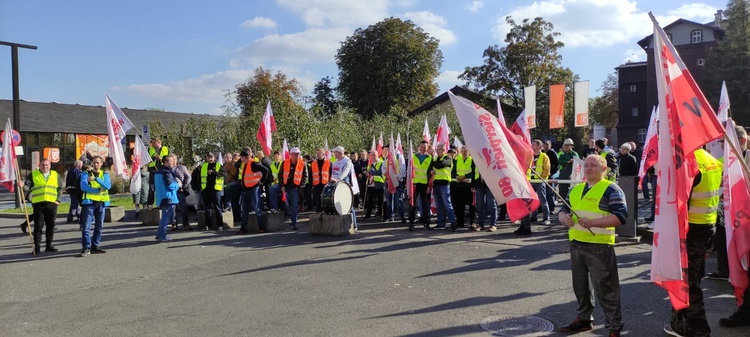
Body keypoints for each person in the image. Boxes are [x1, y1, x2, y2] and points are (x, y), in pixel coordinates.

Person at [557, 155, 627, 337]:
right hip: (577, 244)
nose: (588, 168)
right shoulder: (576, 188)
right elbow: (564, 208)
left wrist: (593, 223)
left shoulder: (611, 189)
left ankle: (614, 327)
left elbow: (621, 216)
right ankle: (583, 319)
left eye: (593, 165)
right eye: (586, 165)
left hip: (600, 246)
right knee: (580, 287)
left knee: (606, 289)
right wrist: (562, 217)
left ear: (604, 169)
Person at [663, 148, 722, 337]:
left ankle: (698, 329)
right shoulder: (711, 159)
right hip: (707, 226)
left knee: (689, 283)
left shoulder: (689, 162)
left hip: (691, 230)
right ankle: (680, 324)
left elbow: (681, 204)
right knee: (691, 278)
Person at [22, 159, 63, 254]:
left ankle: (49, 245)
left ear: (50, 166)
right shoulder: (33, 174)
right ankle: (37, 247)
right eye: (43, 165)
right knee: (38, 226)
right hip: (38, 205)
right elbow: (26, 187)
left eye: (47, 165)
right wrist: (22, 185)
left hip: (52, 204)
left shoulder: (55, 175)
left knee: (51, 225)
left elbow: (60, 188)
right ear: (39, 165)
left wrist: (58, 200)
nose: (45, 167)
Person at [516, 139, 551, 235]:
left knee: (542, 199)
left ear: (539, 146)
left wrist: (542, 179)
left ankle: (546, 218)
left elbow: (547, 169)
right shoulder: (530, 156)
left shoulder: (544, 156)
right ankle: (533, 217)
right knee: (531, 200)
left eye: (534, 144)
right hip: (530, 181)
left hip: (539, 181)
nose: (532, 145)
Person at [79, 156, 111, 257]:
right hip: (89, 203)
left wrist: (96, 179)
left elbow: (107, 186)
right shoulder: (85, 173)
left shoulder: (104, 174)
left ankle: (94, 246)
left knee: (99, 226)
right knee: (86, 227)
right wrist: (97, 190)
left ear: (101, 164)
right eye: (94, 162)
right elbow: (84, 187)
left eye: (97, 163)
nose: (95, 164)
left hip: (101, 203)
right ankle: (86, 248)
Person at [238, 149, 270, 235]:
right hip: (245, 190)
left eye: (242, 157)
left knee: (257, 208)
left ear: (246, 157)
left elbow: (266, 170)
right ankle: (243, 227)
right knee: (244, 209)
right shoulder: (245, 164)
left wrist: (262, 181)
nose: (241, 158)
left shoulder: (253, 163)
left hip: (253, 189)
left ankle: (261, 227)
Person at [192, 152, 225, 231]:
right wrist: (198, 187)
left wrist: (214, 172)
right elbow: (198, 177)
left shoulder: (218, 165)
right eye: (208, 157)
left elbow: (223, 174)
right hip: (206, 189)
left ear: (214, 158)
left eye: (211, 157)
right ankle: (207, 225)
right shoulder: (203, 166)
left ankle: (220, 225)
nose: (210, 159)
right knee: (207, 208)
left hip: (216, 189)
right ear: (206, 158)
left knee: (217, 207)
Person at [330, 146, 358, 230]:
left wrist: (338, 180)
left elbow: (345, 172)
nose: (334, 154)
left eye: (335, 152)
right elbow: (329, 165)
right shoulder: (334, 160)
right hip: (335, 183)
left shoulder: (347, 161)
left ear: (340, 153)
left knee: (348, 205)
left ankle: (354, 224)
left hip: (344, 184)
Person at [408, 140, 433, 231]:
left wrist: (429, 186)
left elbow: (431, 174)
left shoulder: (430, 158)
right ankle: (411, 223)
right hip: (414, 184)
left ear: (427, 148)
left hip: (425, 185)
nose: (423, 149)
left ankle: (426, 223)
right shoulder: (413, 157)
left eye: (425, 147)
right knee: (412, 204)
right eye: (421, 147)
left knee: (425, 204)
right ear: (419, 147)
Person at [432, 143, 457, 230]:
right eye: (437, 149)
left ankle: (453, 222)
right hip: (436, 184)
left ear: (443, 150)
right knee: (439, 205)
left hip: (444, 184)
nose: (437, 151)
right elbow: (434, 166)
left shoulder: (448, 158)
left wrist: (435, 164)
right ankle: (441, 222)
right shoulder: (435, 159)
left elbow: (440, 165)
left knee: (447, 204)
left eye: (438, 149)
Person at [154, 155, 179, 242]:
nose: (173, 163)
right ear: (166, 162)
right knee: (165, 217)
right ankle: (162, 235)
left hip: (161, 197)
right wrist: (178, 185)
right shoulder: (166, 172)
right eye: (171, 161)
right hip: (168, 197)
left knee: (164, 217)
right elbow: (170, 185)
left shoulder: (158, 172)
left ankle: (159, 234)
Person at [282, 147, 307, 230]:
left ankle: (294, 223)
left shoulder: (303, 164)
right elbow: (280, 175)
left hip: (295, 188)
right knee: (285, 203)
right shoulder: (285, 163)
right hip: (285, 187)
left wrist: (300, 187)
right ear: (291, 154)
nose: (297, 155)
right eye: (295, 154)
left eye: (298, 154)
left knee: (295, 205)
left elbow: (305, 177)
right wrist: (282, 186)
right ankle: (290, 216)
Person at [451, 145, 475, 230]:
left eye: (465, 151)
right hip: (459, 185)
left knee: (471, 205)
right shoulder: (457, 160)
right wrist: (456, 176)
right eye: (462, 151)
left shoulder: (472, 160)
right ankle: (460, 222)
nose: (464, 153)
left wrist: (465, 176)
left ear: (469, 152)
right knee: (459, 205)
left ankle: (473, 222)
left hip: (469, 185)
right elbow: (453, 171)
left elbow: (474, 171)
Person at [473, 166, 497, 232]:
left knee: (491, 204)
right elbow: (473, 172)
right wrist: (473, 184)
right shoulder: (476, 157)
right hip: (479, 184)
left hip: (490, 184)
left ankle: (493, 224)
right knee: (480, 205)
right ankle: (480, 224)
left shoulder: (491, 157)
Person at [364, 150, 385, 220]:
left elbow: (379, 172)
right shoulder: (370, 163)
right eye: (371, 155)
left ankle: (379, 212)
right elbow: (368, 172)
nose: (373, 157)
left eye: (374, 155)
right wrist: (367, 174)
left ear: (377, 155)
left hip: (379, 183)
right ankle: (368, 214)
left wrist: (371, 172)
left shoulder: (381, 162)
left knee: (380, 200)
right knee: (370, 200)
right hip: (371, 183)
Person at [146, 138, 169, 206]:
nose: (152, 144)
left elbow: (169, 158)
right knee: (152, 188)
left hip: (163, 169)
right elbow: (147, 160)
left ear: (158, 143)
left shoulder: (166, 149)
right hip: (153, 170)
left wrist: (162, 159)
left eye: (153, 143)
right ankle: (150, 204)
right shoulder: (150, 149)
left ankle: (163, 202)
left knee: (162, 187)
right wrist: (154, 158)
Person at [172, 157, 192, 231]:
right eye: (171, 160)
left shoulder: (181, 168)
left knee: (183, 208)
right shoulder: (168, 169)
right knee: (173, 208)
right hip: (171, 191)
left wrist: (184, 186)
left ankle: (186, 224)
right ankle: (174, 224)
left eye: (174, 160)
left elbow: (188, 177)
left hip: (180, 190)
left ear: (177, 160)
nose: (173, 161)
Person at [310, 148, 331, 213]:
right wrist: (312, 185)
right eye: (317, 153)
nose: (317, 155)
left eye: (319, 153)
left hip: (325, 184)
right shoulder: (313, 163)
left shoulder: (329, 163)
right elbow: (311, 175)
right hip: (316, 185)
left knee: (324, 200)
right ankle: (318, 213)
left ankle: (325, 213)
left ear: (323, 154)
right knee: (317, 201)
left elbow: (331, 173)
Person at [543, 140, 559, 213]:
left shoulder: (553, 154)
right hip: (542, 176)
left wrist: (552, 173)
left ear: (550, 146)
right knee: (543, 193)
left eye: (547, 145)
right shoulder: (542, 153)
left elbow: (557, 165)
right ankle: (542, 209)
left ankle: (551, 209)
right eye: (544, 145)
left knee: (550, 192)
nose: (545, 146)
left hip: (550, 176)